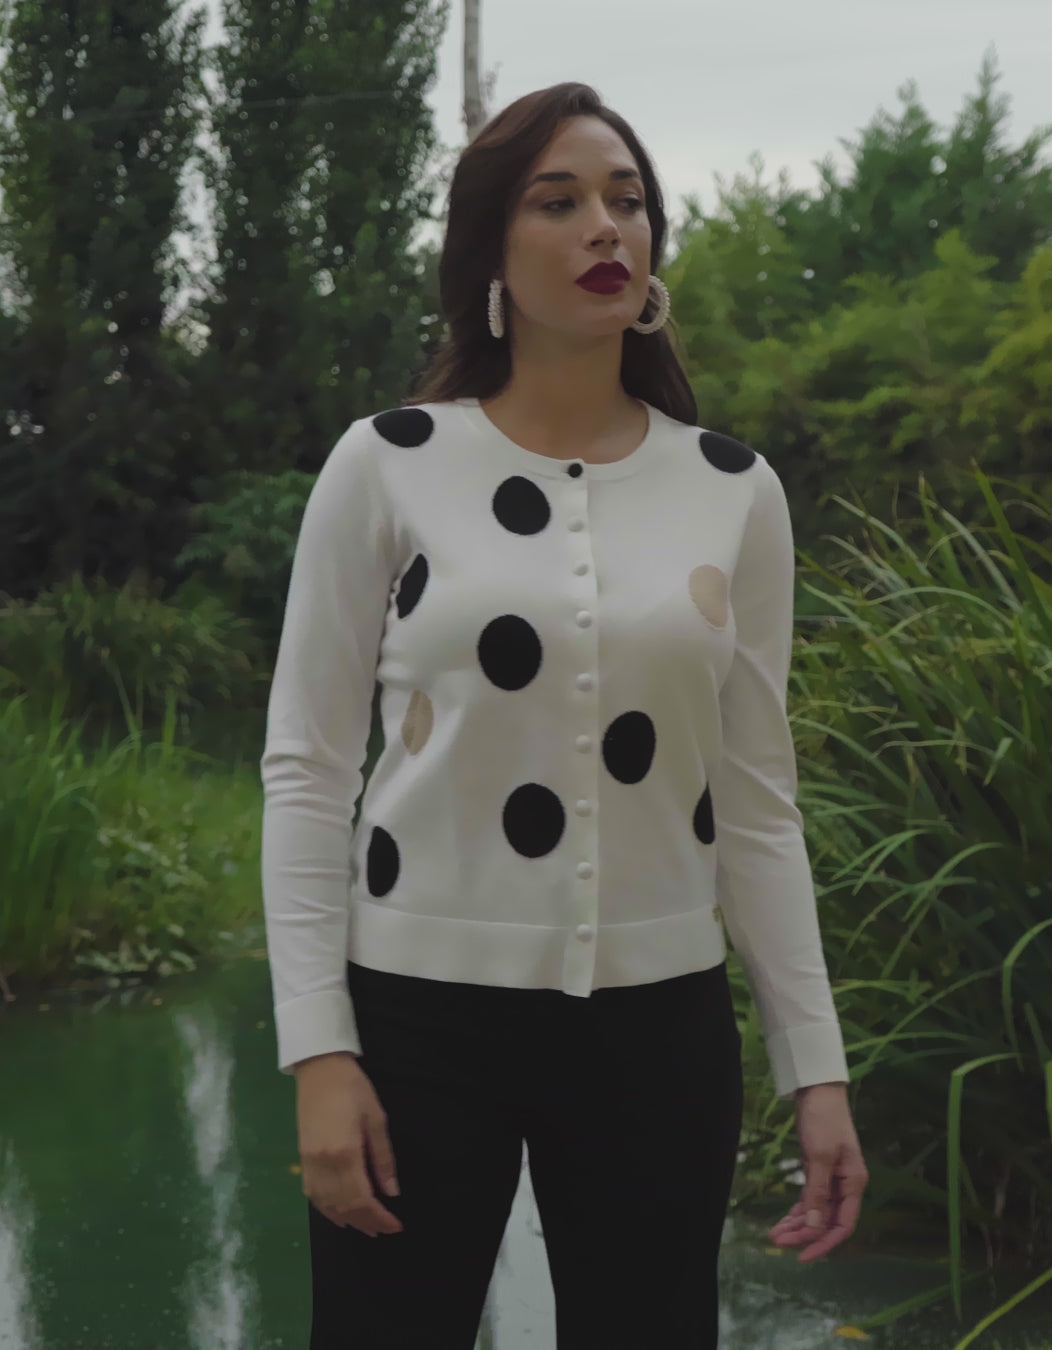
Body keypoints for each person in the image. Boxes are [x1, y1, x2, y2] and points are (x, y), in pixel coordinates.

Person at [259, 80, 869, 1350]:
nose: (605, 227)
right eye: (560, 202)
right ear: (491, 250)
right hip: (415, 1020)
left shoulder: (735, 491)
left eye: (627, 201)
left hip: (661, 1027)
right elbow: (307, 771)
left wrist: (816, 1068)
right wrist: (320, 1053)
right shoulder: (387, 462)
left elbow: (757, 805)